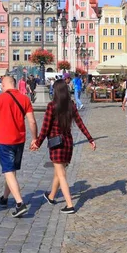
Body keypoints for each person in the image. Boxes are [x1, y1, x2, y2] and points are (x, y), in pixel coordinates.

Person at [31, 80, 96, 214]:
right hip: (68, 143)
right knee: (58, 171)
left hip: (56, 144)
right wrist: (90, 139)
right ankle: (51, 197)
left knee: (61, 174)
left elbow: (45, 128)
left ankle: (70, 205)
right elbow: (80, 124)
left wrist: (37, 142)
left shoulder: (51, 106)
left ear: (55, 91)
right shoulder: (71, 105)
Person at [0, 76, 38, 218]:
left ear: (4, 84)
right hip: (19, 140)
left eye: (1, 84)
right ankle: (4, 198)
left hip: (4, 140)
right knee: (11, 171)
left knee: (8, 171)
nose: (1, 86)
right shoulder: (25, 99)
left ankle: (20, 203)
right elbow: (32, 121)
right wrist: (34, 139)